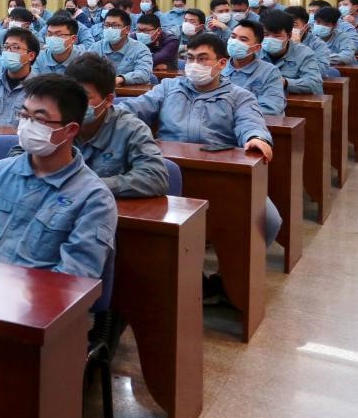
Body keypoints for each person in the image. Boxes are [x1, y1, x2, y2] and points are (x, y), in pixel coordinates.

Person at [117, 33, 281, 289]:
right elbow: (136, 107)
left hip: (219, 172)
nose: (194, 65)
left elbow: (250, 122)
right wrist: (106, 113)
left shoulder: (239, 96)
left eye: (203, 59)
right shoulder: (169, 87)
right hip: (167, 167)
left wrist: (256, 138)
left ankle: (227, 282)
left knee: (269, 220)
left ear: (222, 63)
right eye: (191, 58)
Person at [0, 74, 117, 279]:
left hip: (42, 297)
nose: (27, 125)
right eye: (24, 115)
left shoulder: (94, 199)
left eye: (40, 119)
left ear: (70, 130)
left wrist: (10, 292)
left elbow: (74, 277)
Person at [27, 54, 169, 197]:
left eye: (84, 97)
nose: (74, 103)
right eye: (69, 95)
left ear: (108, 100)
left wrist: (88, 186)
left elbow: (155, 177)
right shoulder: (55, 120)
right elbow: (21, 155)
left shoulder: (131, 129)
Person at [222, 21, 286, 116]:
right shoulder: (219, 67)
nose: (235, 42)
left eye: (243, 39)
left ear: (256, 48)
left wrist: (230, 114)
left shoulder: (270, 72)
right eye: (233, 37)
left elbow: (271, 108)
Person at [260, 11, 324, 96]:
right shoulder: (254, 52)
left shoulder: (304, 53)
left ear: (289, 35)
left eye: (277, 36)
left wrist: (285, 82)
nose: (270, 39)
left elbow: (315, 84)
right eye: (265, 35)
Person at [90, 8, 154, 86]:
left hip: (131, 92)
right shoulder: (96, 47)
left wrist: (121, 79)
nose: (110, 29)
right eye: (107, 25)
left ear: (127, 29)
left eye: (115, 26)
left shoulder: (141, 49)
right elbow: (84, 70)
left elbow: (144, 73)